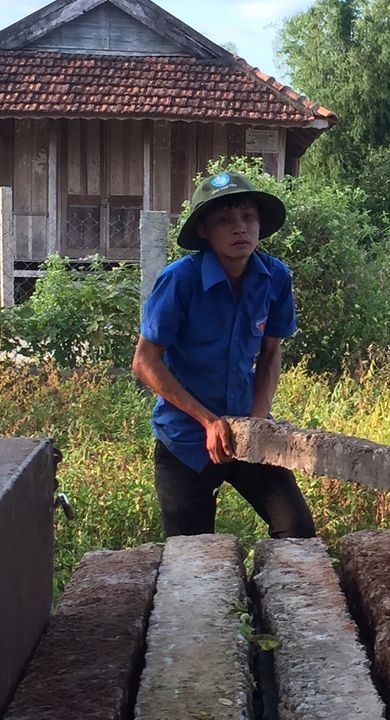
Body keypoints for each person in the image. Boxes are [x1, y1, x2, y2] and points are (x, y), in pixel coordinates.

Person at [132, 170, 316, 540]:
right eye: (225, 220)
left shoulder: (275, 277)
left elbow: (271, 352)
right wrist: (208, 421)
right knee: (192, 554)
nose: (240, 228)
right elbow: (144, 362)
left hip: (247, 430)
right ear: (204, 230)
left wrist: (258, 421)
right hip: (185, 438)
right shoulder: (181, 280)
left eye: (248, 217)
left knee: (297, 531)